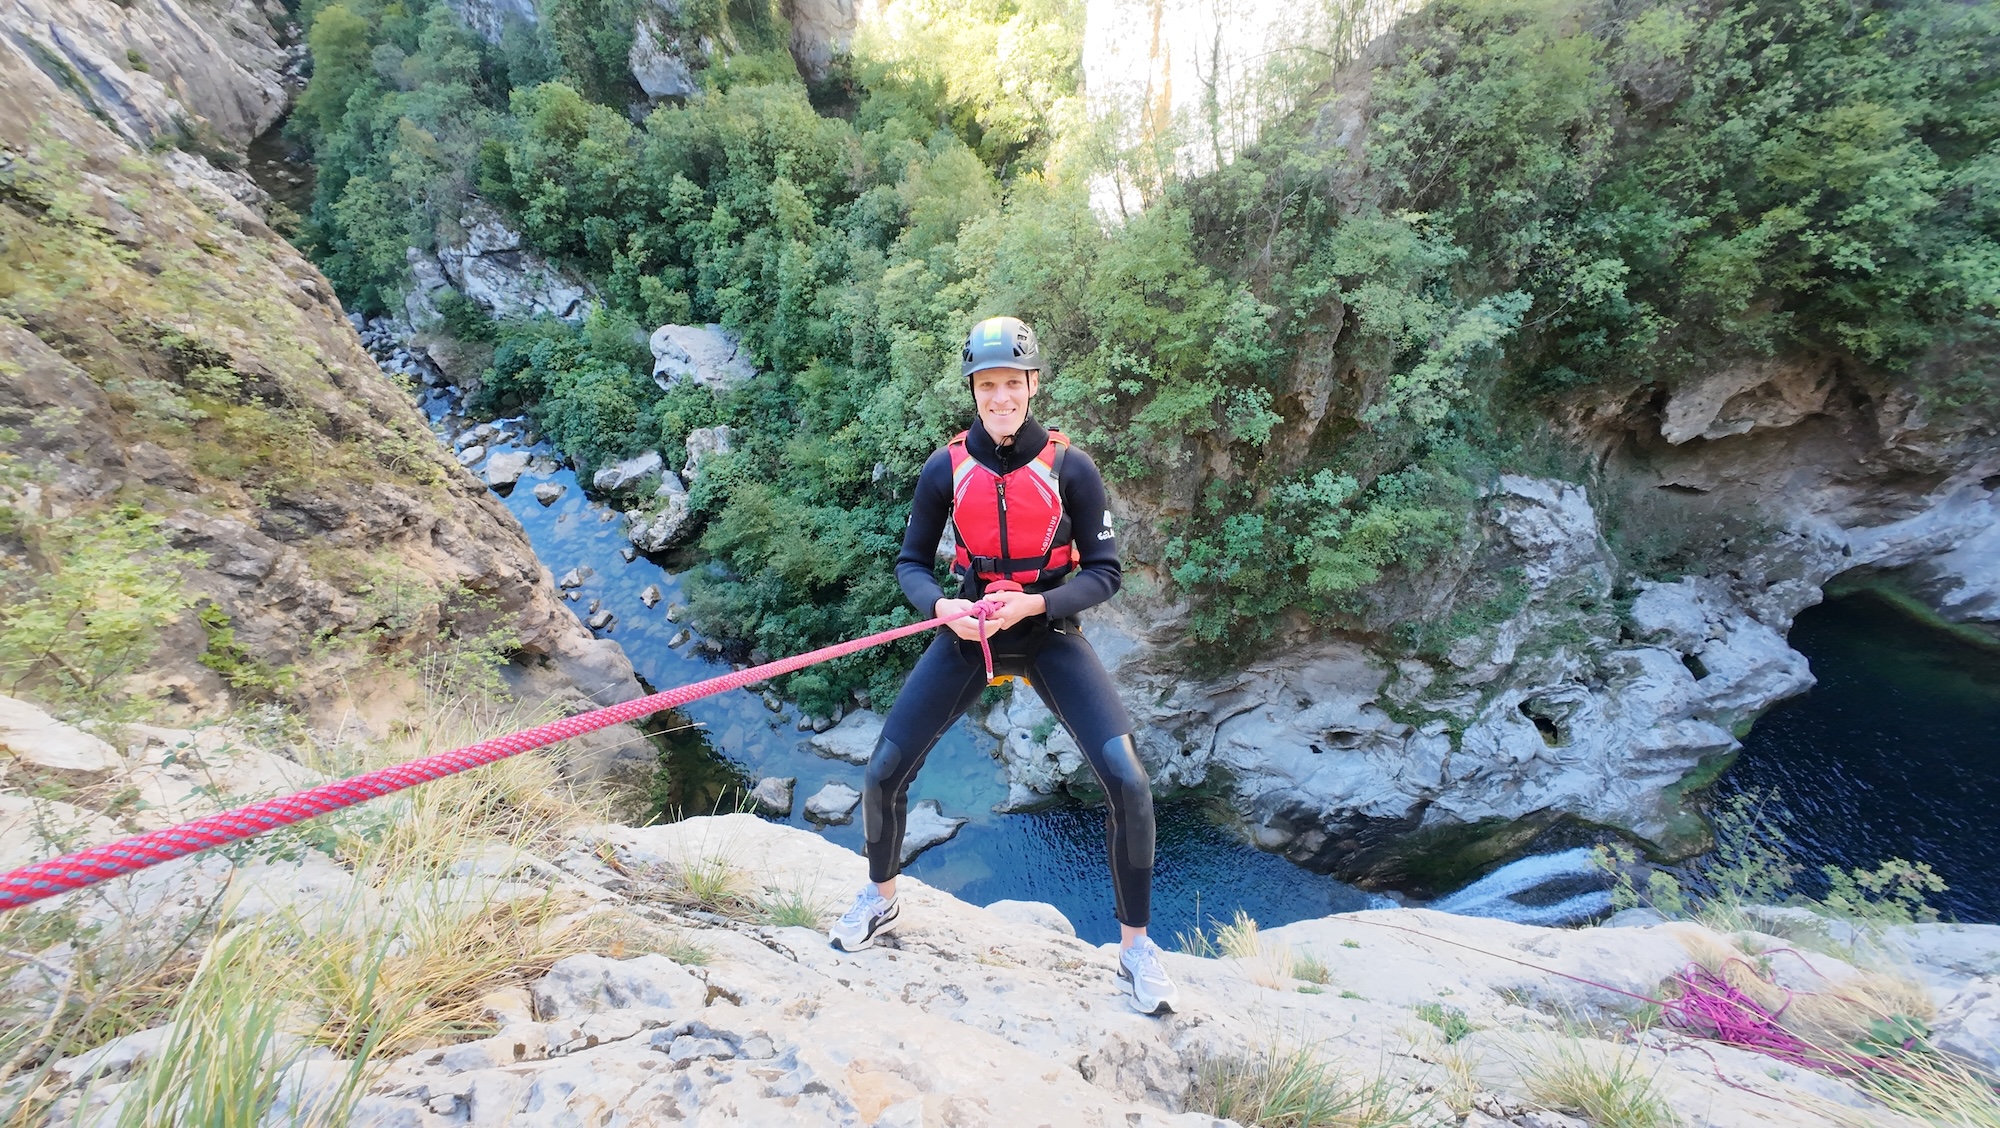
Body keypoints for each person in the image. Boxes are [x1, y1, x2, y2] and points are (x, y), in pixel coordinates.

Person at [827, 316, 1180, 1015]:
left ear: (1033, 384)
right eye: (986, 385)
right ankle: (880, 897)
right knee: (883, 771)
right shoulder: (946, 468)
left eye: (1011, 384)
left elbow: (1105, 572)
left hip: (1047, 631)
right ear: (973, 391)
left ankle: (1136, 950)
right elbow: (911, 562)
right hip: (971, 631)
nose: (1000, 397)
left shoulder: (1072, 468)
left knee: (1129, 783)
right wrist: (942, 607)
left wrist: (1037, 604)